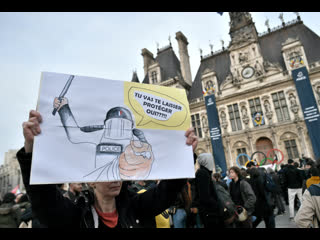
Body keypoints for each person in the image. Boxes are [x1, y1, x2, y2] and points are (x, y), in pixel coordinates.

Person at [17, 110, 198, 228]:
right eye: (107, 168)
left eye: (118, 166)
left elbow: (168, 191)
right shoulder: (76, 215)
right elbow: (43, 200)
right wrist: (31, 150)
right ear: (91, 180)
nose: (115, 177)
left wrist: (184, 155)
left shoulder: (136, 206)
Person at [193, 153, 224, 228]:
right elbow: (204, 196)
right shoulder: (203, 173)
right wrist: (216, 205)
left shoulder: (205, 172)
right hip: (210, 212)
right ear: (205, 161)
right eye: (211, 160)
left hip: (210, 211)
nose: (212, 162)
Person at [295, 159, 320, 228]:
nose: (306, 167)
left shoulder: (310, 187)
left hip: (311, 197)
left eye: (307, 165)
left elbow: (300, 220)